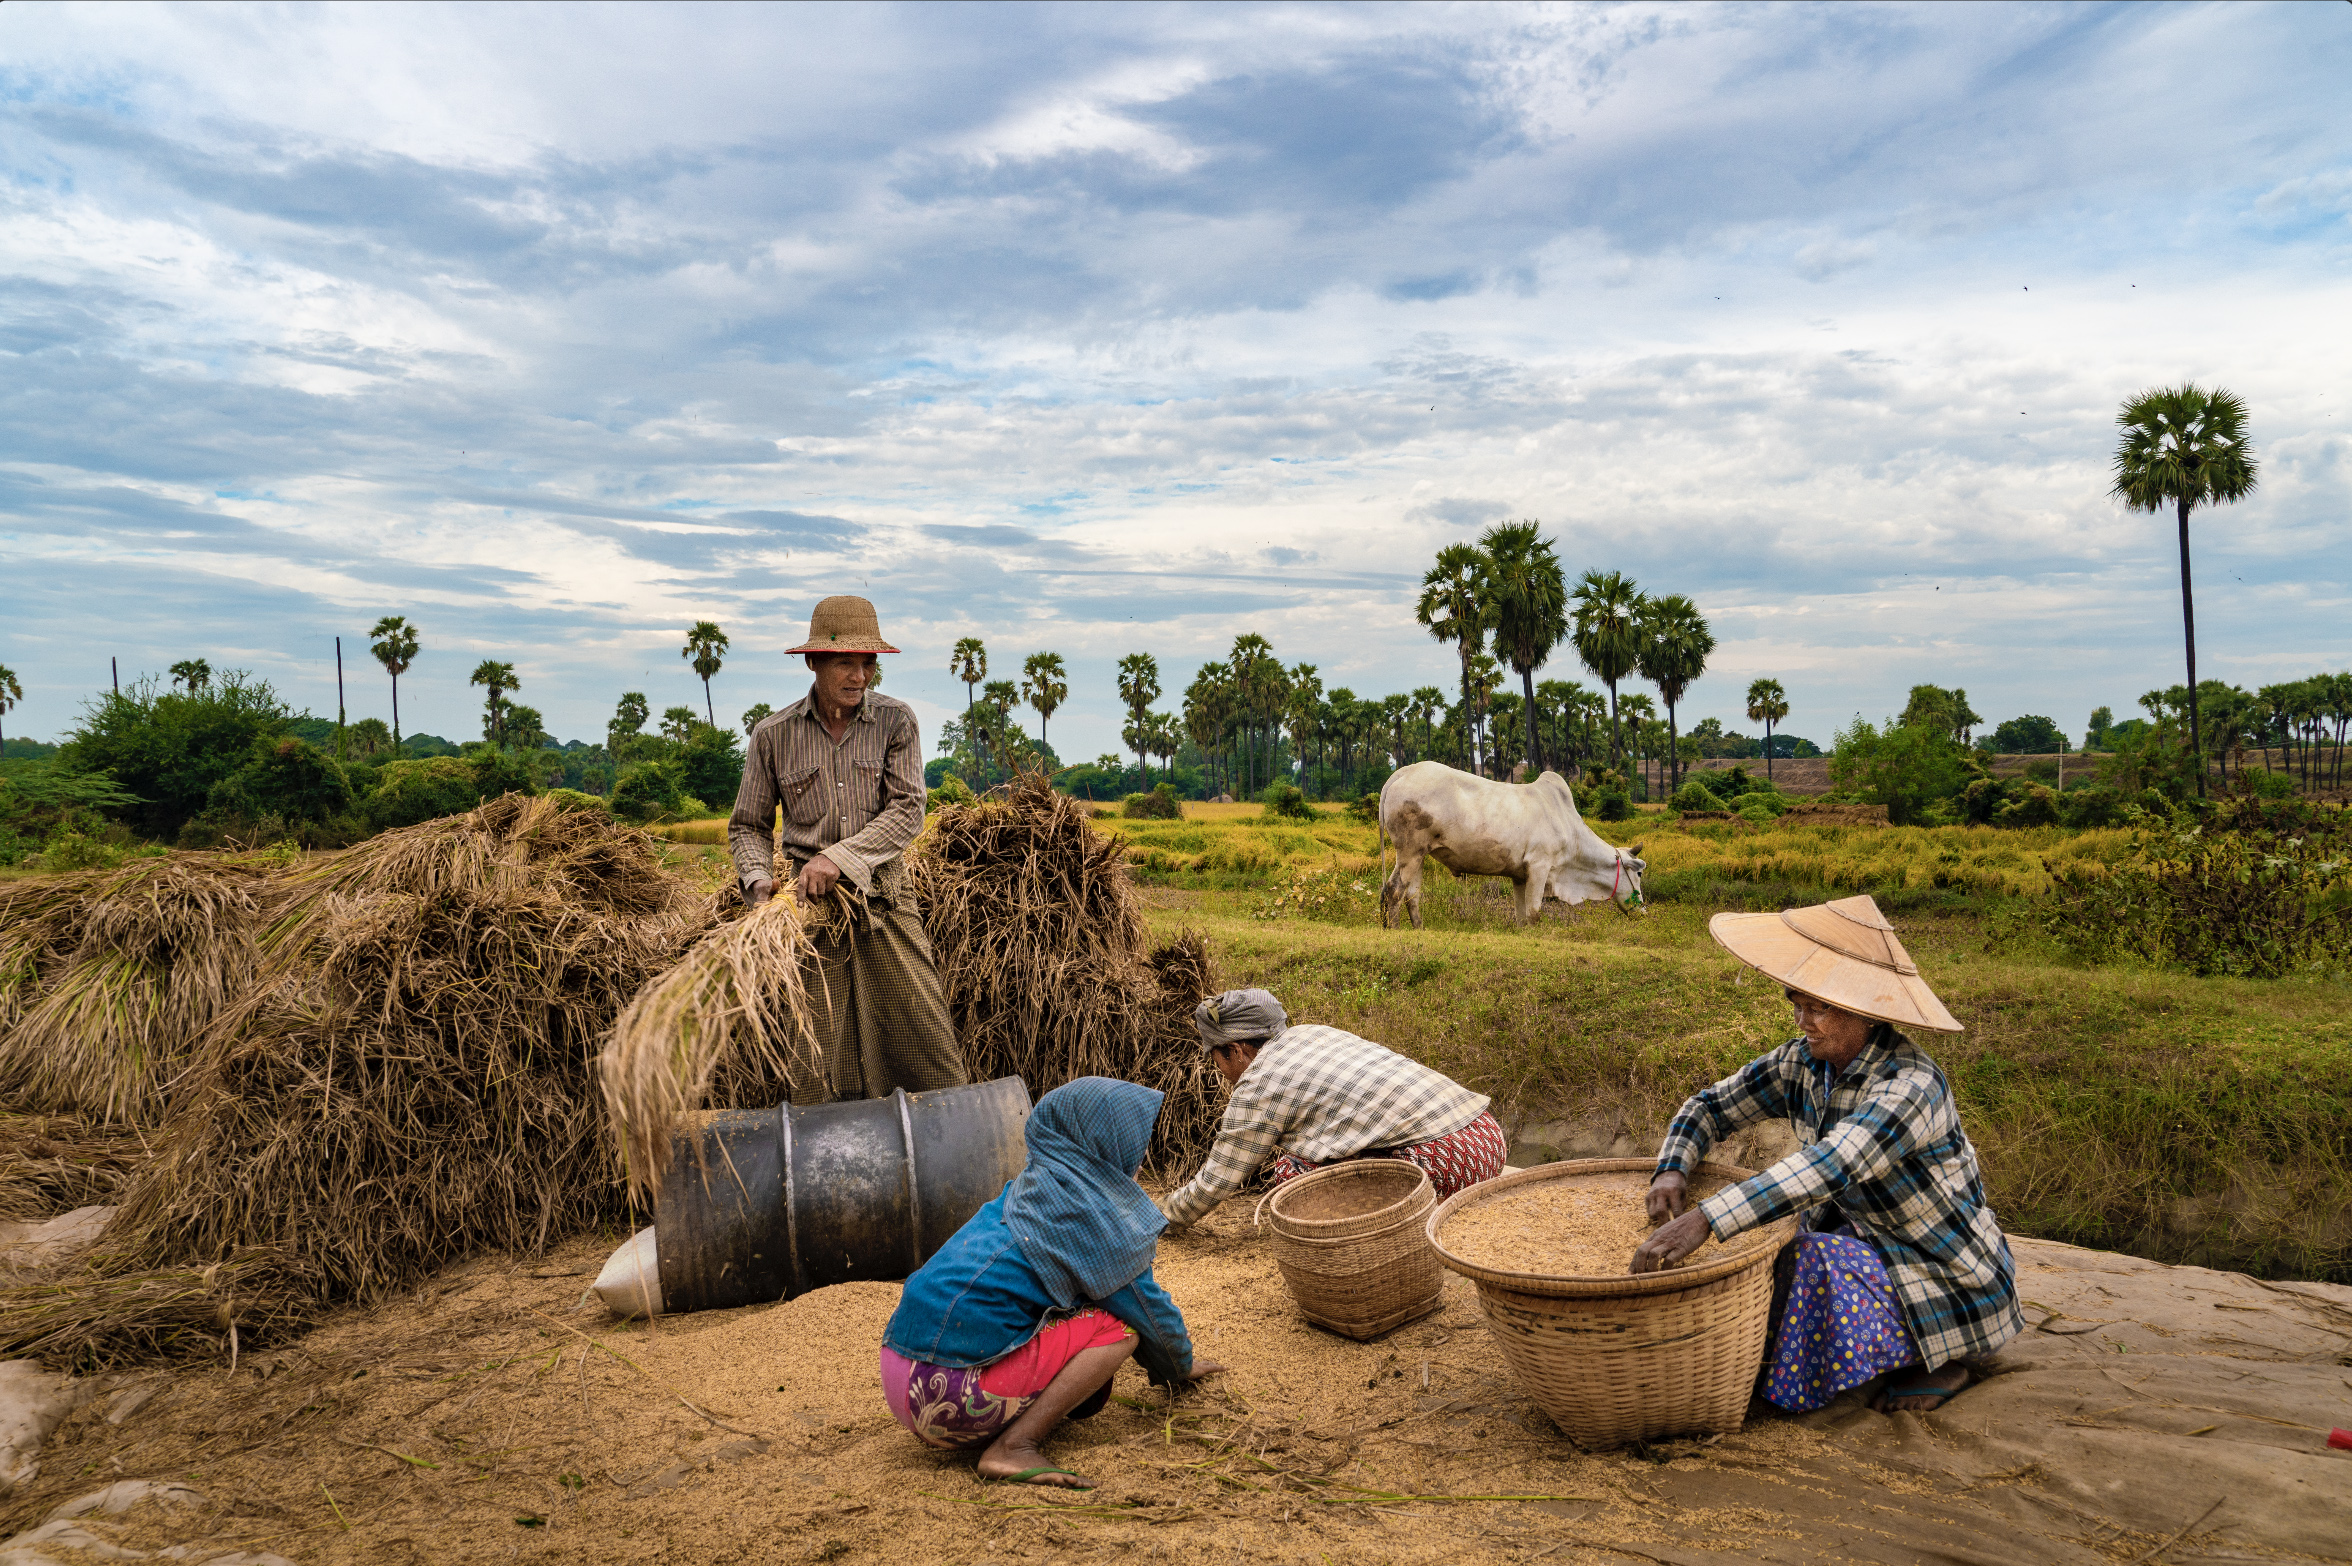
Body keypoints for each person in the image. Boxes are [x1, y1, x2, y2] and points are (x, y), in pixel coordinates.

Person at [1631, 894, 2022, 1415]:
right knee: (1775, 1259)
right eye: (1798, 1003)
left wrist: (1706, 1219)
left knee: (1813, 1261)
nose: (1803, 1021)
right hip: (1865, 1240)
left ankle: (1940, 1360)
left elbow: (1832, 1164)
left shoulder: (1910, 1085)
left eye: (1820, 1009)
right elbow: (1709, 1107)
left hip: (1939, 1270)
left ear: (1863, 1012)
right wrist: (1673, 1167)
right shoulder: (1802, 1064)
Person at [880, 1077, 1222, 1488]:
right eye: (1135, 1139)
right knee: (1119, 1328)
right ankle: (1014, 1446)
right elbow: (1149, 1312)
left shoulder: (1030, 1189)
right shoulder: (1090, 1220)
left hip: (900, 1376)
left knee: (1069, 1307)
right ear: (1104, 1142)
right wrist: (1177, 1367)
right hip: (949, 1401)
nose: (1142, 1151)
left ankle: (1007, 1421)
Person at [729, 596, 966, 1103]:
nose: (859, 676)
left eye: (868, 663)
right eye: (845, 662)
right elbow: (748, 825)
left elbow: (907, 810)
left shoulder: (895, 722)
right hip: (809, 914)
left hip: (885, 902)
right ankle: (827, 1169)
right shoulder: (773, 735)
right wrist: (756, 881)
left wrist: (840, 857)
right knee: (815, 1058)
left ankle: (946, 1159)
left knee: (926, 1045)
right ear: (812, 662)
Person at [1156, 988, 1507, 1228]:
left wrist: (1161, 1218)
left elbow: (1217, 1181)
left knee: (1293, 1174)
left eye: (1216, 1058)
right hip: (1486, 1138)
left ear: (1235, 1050)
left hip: (1445, 1165)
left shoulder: (1258, 1082)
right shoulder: (1313, 1033)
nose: (1220, 1071)